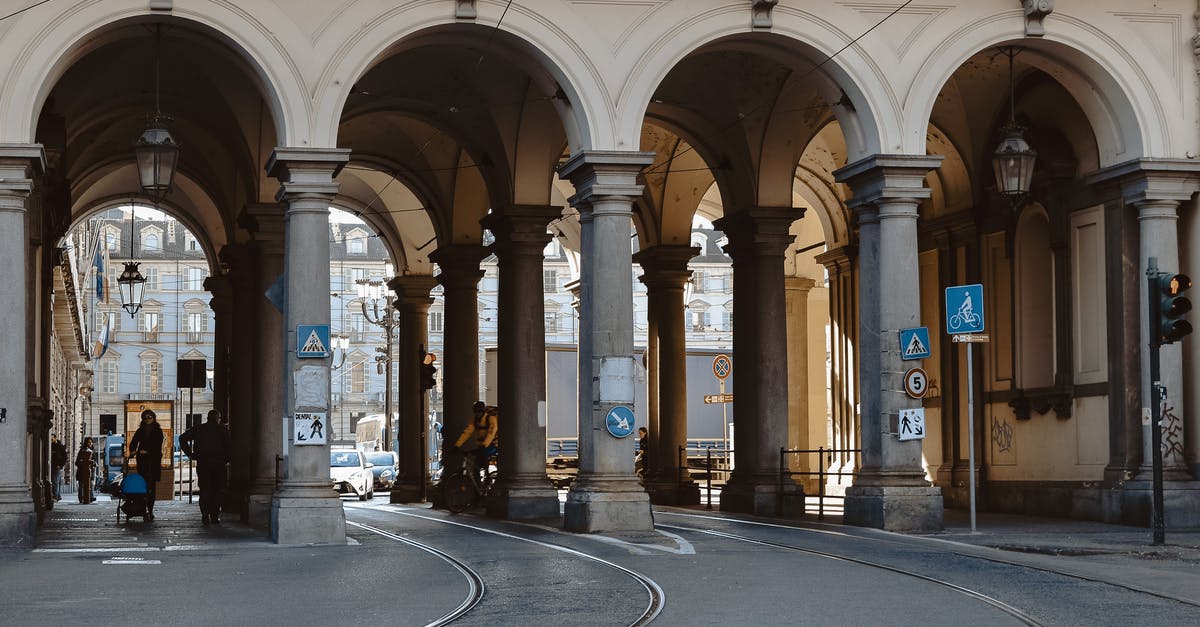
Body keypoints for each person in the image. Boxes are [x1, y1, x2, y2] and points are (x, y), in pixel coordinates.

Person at [178, 409, 231, 525]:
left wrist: (191, 454)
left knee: (205, 489)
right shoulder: (222, 430)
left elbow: (182, 438)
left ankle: (205, 514)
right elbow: (229, 447)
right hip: (218, 464)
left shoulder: (199, 429)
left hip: (203, 463)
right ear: (218, 418)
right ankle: (215, 515)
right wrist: (227, 459)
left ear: (207, 418)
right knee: (217, 489)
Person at [129, 409, 165, 520]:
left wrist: (148, 451)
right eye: (145, 417)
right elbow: (133, 443)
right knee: (143, 485)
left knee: (151, 487)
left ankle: (150, 510)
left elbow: (157, 445)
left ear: (154, 418)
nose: (147, 419)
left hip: (153, 460)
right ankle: (143, 509)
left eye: (150, 417)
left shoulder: (158, 431)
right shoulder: (140, 430)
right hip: (143, 461)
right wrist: (133, 451)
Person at [454, 401, 498, 482]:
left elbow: (491, 433)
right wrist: (457, 445)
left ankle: (488, 476)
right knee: (476, 468)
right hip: (482, 446)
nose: (477, 414)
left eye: (479, 411)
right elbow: (467, 432)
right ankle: (478, 487)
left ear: (483, 411)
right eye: (475, 412)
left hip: (493, 444)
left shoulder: (490, 419)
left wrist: (484, 445)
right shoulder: (476, 421)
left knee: (483, 456)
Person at [75, 438, 96, 504]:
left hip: (90, 471)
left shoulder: (92, 451)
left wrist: (93, 463)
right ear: (86, 443)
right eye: (89, 442)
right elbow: (77, 462)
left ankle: (90, 496)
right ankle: (81, 497)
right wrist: (83, 462)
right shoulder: (82, 451)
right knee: (81, 484)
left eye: (91, 442)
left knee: (91, 484)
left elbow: (94, 462)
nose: (90, 444)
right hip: (82, 471)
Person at [50, 434, 67, 501]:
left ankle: (55, 496)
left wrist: (60, 465)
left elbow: (65, 457)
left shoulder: (60, 446)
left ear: (55, 438)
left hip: (57, 467)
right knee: (56, 481)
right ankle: (58, 495)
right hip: (50, 466)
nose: (51, 441)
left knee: (55, 481)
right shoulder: (50, 445)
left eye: (52, 439)